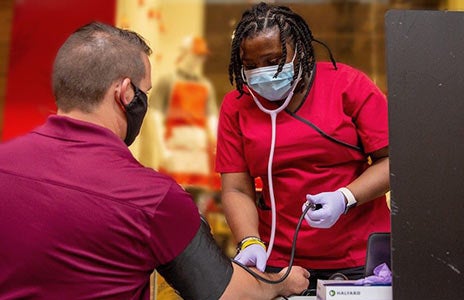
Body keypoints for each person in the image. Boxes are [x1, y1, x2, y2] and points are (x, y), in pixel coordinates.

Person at [0, 22, 308, 299]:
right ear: (124, 93)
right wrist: (279, 282)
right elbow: (227, 294)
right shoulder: (154, 198)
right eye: (143, 92)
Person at [216, 2, 390, 292]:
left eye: (273, 60)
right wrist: (249, 240)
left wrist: (345, 197)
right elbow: (236, 188)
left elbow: (393, 162)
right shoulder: (237, 107)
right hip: (281, 264)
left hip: (361, 257)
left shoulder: (348, 85)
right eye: (250, 66)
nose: (262, 73)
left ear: (300, 51)